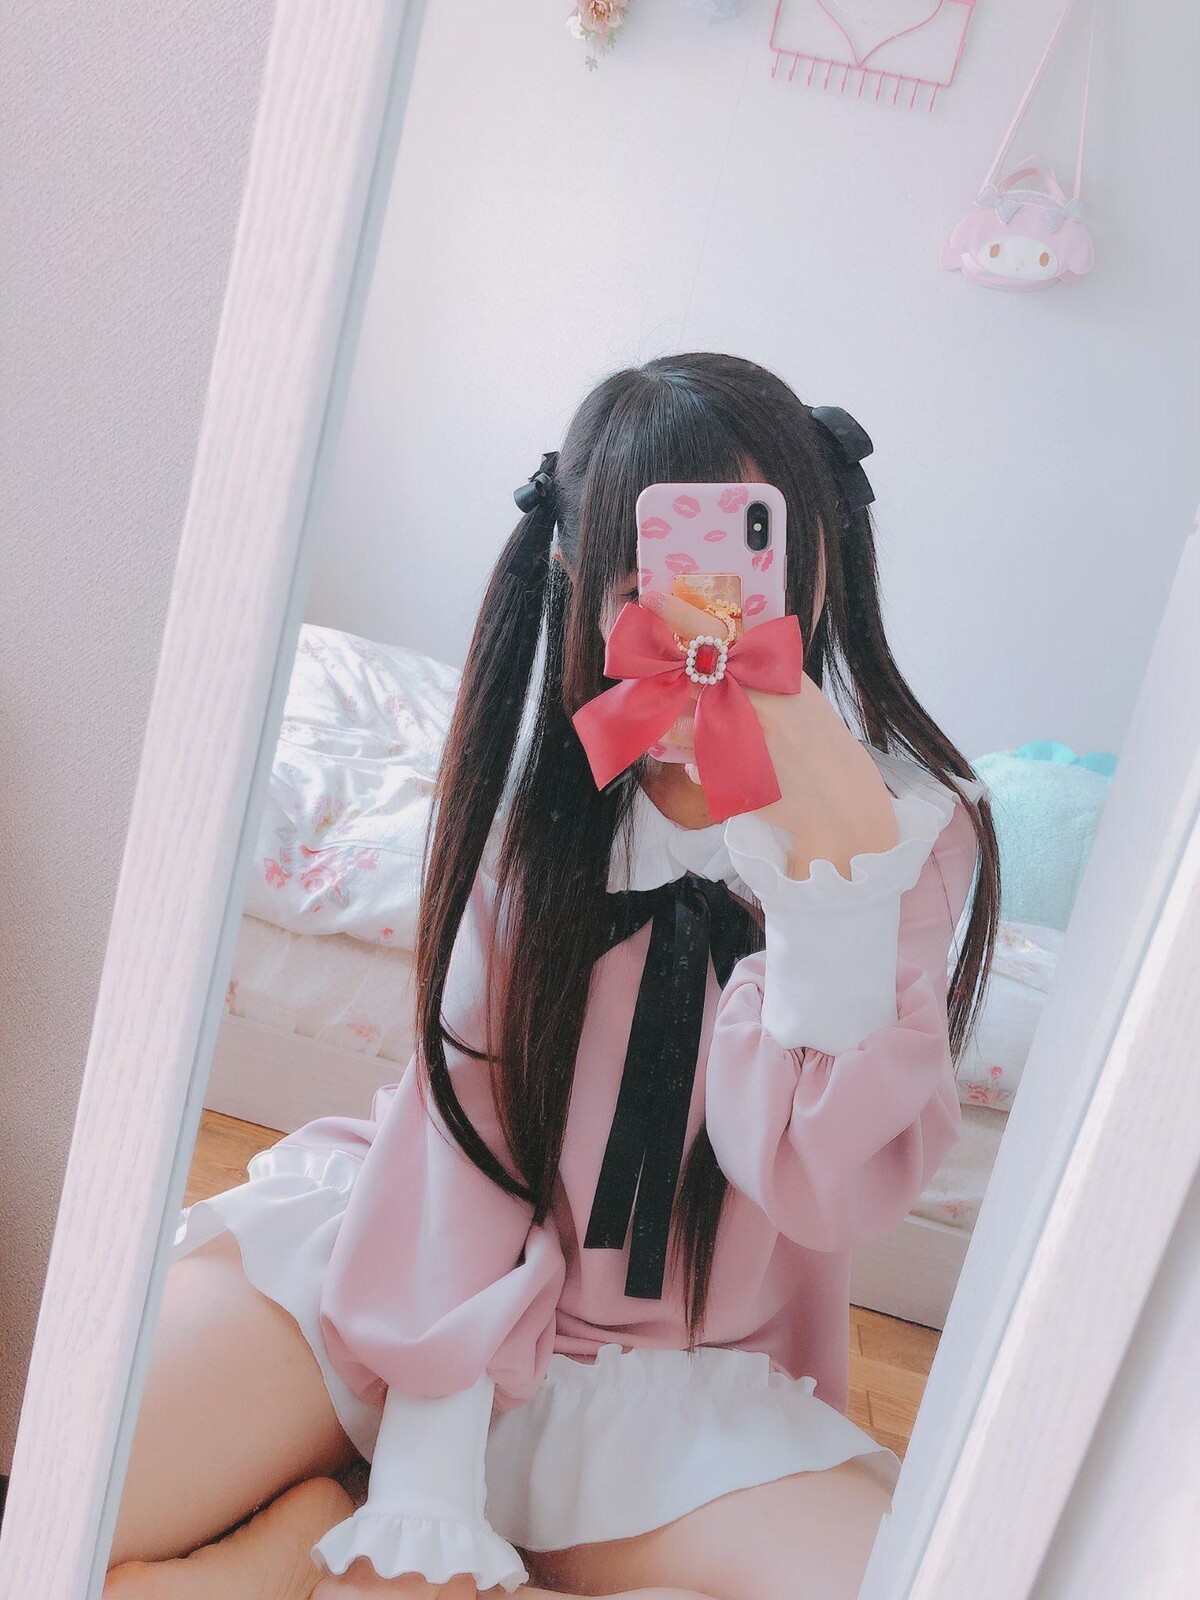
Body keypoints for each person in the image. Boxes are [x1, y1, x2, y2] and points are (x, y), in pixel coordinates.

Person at [106, 353, 999, 1600]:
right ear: (585, 577)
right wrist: (426, 1475)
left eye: (742, 553)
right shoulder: (544, 805)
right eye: (649, 572)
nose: (700, 610)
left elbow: (822, 1185)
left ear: (811, 561)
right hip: (406, 1264)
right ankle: (317, 1533)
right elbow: (464, 1132)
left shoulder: (903, 831)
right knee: (69, 1494)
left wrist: (824, 871)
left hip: (674, 1380)